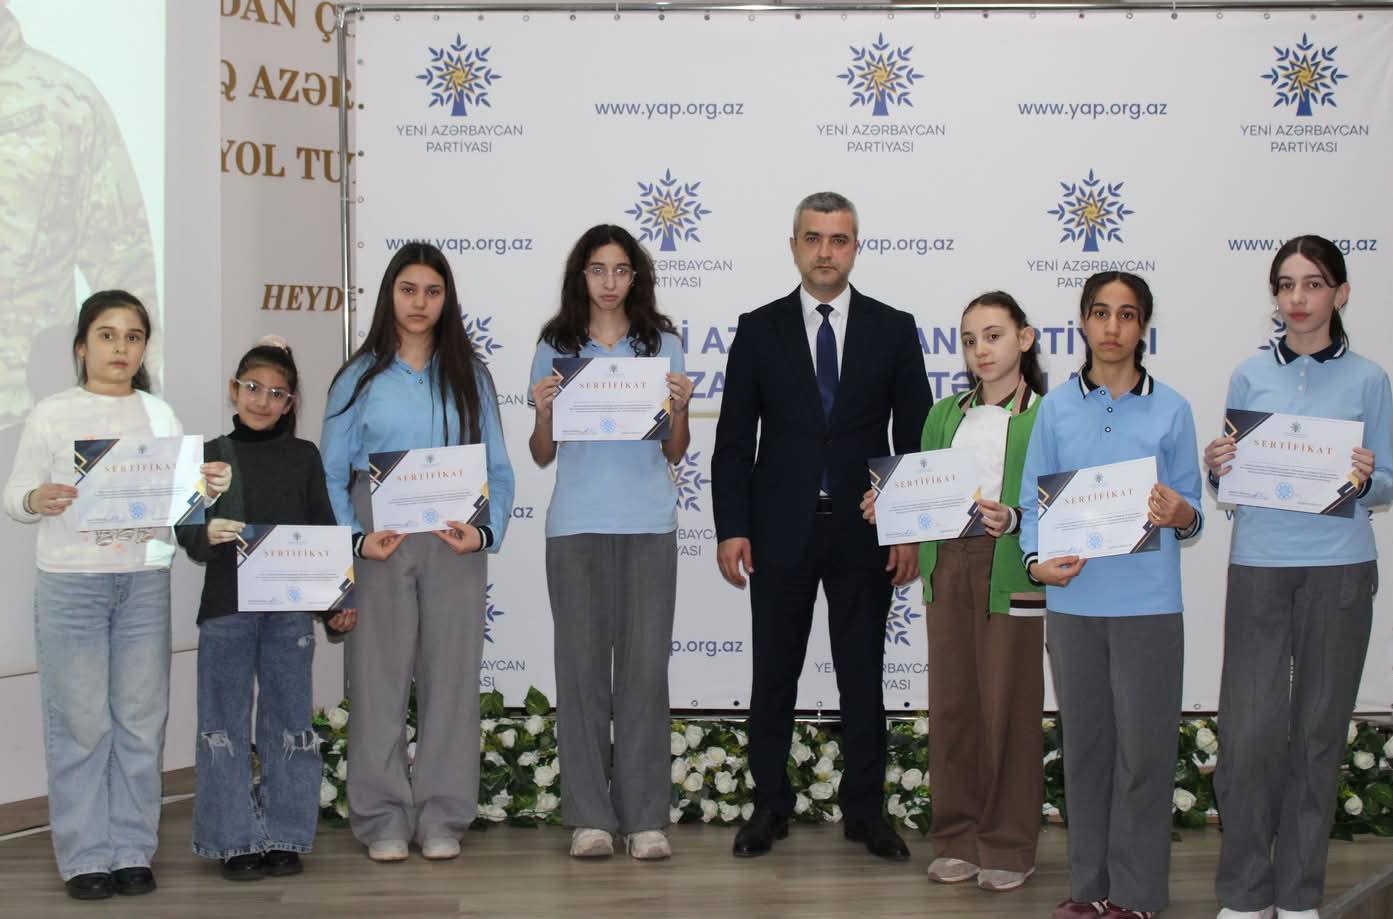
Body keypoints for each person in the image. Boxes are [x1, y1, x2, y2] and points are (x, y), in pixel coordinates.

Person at [712, 191, 932, 860]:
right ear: (793, 246)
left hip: (864, 533)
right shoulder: (758, 328)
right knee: (773, 674)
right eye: (813, 238)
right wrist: (730, 527)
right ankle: (768, 806)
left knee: (863, 674)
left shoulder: (893, 328)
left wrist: (906, 526)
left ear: (855, 247)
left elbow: (915, 438)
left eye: (838, 239)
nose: (825, 251)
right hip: (778, 530)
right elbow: (732, 440)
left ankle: (866, 812)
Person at [3, 290, 228, 900]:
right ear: (82, 347)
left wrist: (204, 488)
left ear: (143, 347)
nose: (121, 348)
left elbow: (177, 510)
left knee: (140, 722)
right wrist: (35, 498)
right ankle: (84, 857)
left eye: (133, 336)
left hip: (143, 582)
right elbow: (14, 495)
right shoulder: (52, 413)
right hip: (71, 584)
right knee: (80, 723)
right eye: (107, 335)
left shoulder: (159, 414)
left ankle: (131, 850)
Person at [1206, 236, 1392, 919]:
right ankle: (1244, 893)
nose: (1297, 298)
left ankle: (1298, 894)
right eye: (1285, 284)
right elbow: (1229, 483)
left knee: (1318, 732)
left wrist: (1367, 478)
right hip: (1260, 562)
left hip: (1340, 567)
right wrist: (1218, 468)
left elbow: (1387, 479)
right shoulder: (1248, 374)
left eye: (1312, 283)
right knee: (1248, 733)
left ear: (1340, 293)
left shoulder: (1369, 379)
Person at [320, 243, 514, 863]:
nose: (420, 303)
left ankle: (442, 815)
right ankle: (380, 817)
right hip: (380, 539)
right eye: (408, 290)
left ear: (446, 299)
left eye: (432, 291)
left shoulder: (470, 375)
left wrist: (485, 532)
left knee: (451, 679)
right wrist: (356, 539)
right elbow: (330, 473)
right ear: (390, 295)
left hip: (455, 536)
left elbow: (499, 467)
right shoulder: (358, 376)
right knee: (377, 678)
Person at [1019, 272, 1203, 919]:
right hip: (1074, 605)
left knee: (1144, 755)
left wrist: (1181, 513)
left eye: (1126, 315)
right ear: (1083, 322)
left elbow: (1192, 512)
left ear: (1142, 326)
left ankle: (1137, 894)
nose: (1112, 327)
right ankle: (1089, 887)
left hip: (1148, 605)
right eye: (1100, 313)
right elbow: (1032, 502)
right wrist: (1037, 562)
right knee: (1086, 751)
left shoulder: (1171, 408)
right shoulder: (1054, 408)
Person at [862, 291, 1046, 892]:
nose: (980, 350)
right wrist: (888, 505)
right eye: (970, 340)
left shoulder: (1046, 416)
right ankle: (957, 837)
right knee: (953, 705)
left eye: (993, 336)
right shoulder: (944, 415)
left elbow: (1057, 502)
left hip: (1011, 568)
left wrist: (1014, 518)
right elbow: (924, 493)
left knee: (1008, 708)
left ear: (1024, 339)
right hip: (948, 565)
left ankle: (1010, 844)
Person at [528, 224, 694, 860]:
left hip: (649, 524)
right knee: (581, 676)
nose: (609, 282)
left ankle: (645, 817)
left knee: (645, 674)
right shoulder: (556, 346)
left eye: (620, 270)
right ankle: (589, 817)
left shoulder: (663, 345)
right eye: (598, 270)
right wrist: (545, 412)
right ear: (582, 275)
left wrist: (680, 408)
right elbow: (542, 453)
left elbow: (674, 450)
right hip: (575, 526)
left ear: (635, 277)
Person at [179, 336, 355, 881]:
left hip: (289, 612)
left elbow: (324, 528)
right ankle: (233, 840)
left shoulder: (304, 456)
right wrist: (208, 530)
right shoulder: (209, 455)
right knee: (223, 726)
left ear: (290, 403)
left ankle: (285, 834)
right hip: (226, 608)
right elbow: (189, 535)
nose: (263, 400)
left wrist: (336, 602)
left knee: (290, 722)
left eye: (277, 393)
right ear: (234, 390)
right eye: (254, 388)